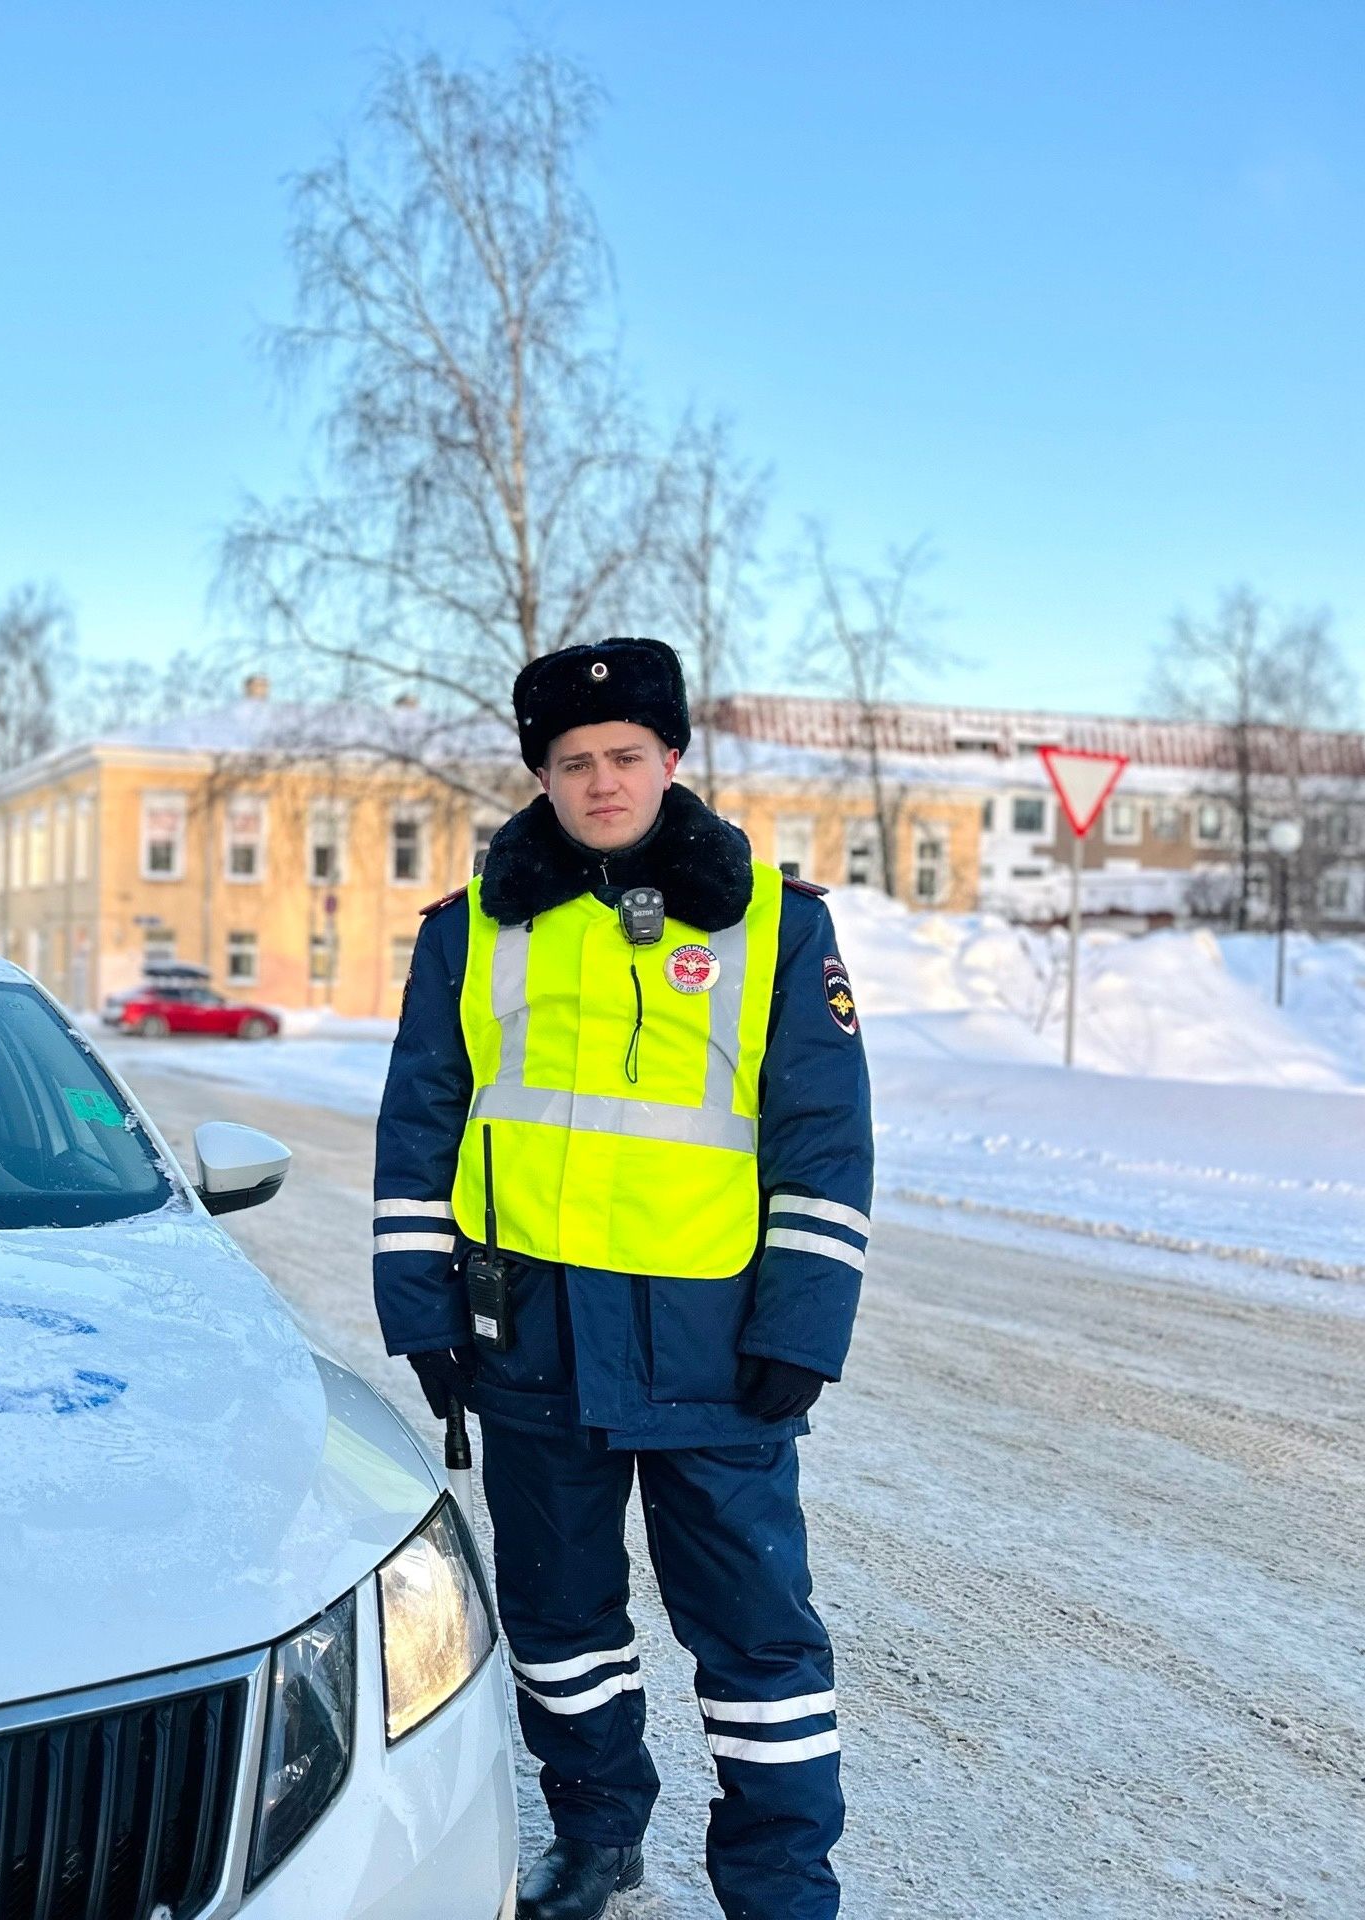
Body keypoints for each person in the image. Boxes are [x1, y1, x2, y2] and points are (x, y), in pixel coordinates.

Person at [373, 636, 871, 1920]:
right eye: (573, 762)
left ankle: (778, 1883)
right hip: (530, 1341)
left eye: (626, 757)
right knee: (561, 1627)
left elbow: (822, 1138)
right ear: (541, 772)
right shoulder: (470, 930)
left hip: (718, 1350)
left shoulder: (779, 923)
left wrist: (802, 1326)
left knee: (760, 1642)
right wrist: (424, 1312)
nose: (602, 783)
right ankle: (597, 1838)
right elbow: (420, 1125)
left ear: (672, 759)